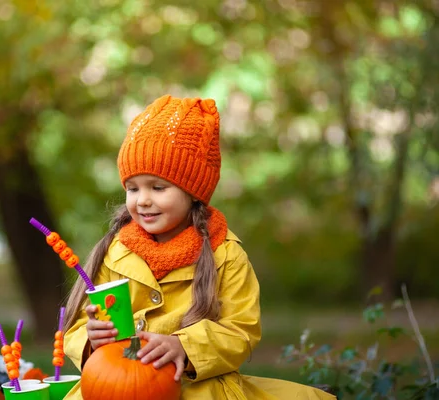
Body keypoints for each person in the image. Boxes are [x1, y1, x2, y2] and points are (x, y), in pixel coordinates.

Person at [62, 94, 335, 399]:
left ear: (193, 191)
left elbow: (240, 329)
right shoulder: (115, 252)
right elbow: (76, 327)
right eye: (132, 188)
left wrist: (184, 347)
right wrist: (91, 339)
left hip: (195, 385)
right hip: (116, 383)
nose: (143, 200)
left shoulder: (225, 254)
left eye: (158, 187)